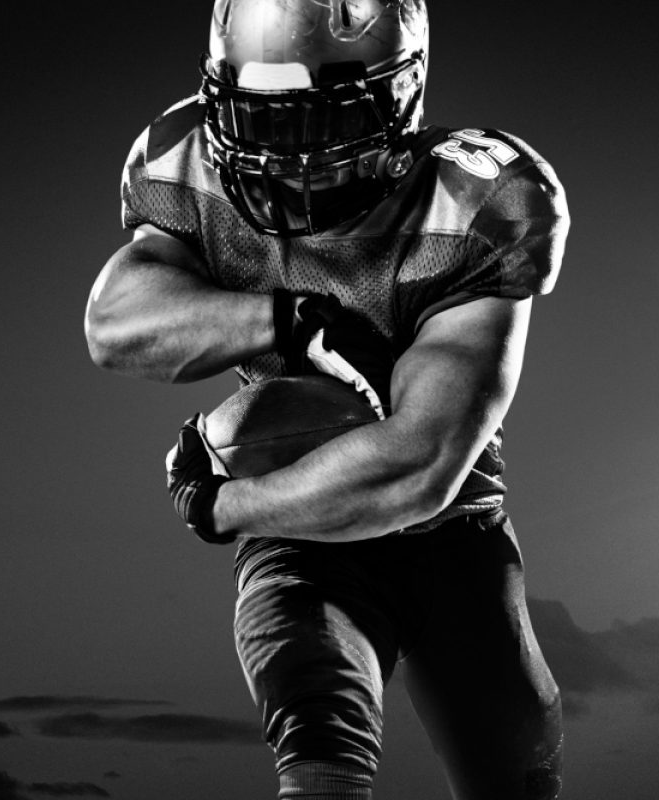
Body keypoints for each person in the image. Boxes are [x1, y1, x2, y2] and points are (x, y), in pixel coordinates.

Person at [81, 1, 568, 798]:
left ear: (399, 99)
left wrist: (226, 506)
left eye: (320, 123)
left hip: (453, 529)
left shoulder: (475, 198)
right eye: (261, 121)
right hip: (301, 521)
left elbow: (418, 467)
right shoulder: (183, 160)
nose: (287, 158)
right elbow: (114, 326)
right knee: (318, 749)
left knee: (515, 778)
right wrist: (286, 318)